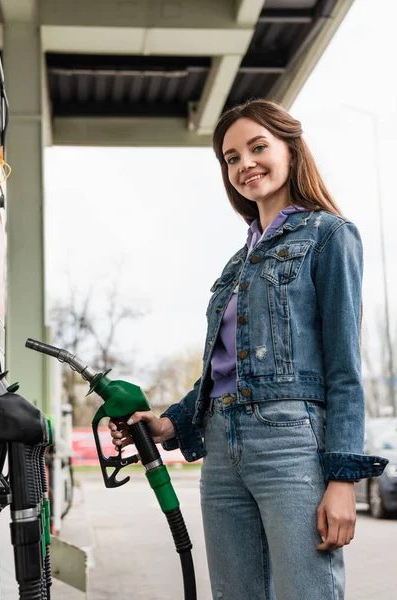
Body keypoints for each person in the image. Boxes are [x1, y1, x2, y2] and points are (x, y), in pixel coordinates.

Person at [109, 100, 388, 600]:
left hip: (291, 444)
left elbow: (345, 369)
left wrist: (344, 478)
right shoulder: (239, 262)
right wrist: (170, 422)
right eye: (231, 157)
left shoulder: (329, 236)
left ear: (290, 149)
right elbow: (223, 371)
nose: (244, 164)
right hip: (221, 449)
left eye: (257, 147)